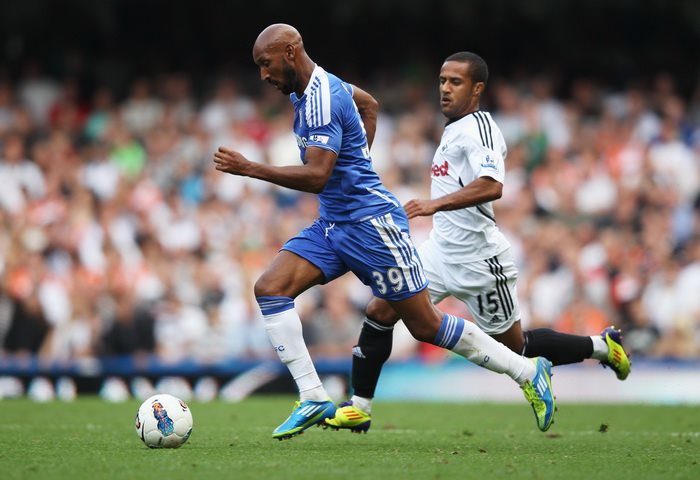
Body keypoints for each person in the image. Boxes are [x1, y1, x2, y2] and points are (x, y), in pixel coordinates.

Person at [213, 25, 555, 440]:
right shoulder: (311, 88)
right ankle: (313, 396)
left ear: (289, 52)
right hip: (335, 223)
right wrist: (359, 159)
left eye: (266, 64)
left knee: (425, 326)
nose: (264, 75)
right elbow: (369, 105)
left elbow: (318, 175)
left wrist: (250, 168)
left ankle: (526, 371)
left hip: (372, 226)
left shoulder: (322, 97)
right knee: (270, 288)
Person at [325, 52, 631, 434]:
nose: (445, 89)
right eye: (442, 80)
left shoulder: (480, 128)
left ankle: (602, 347)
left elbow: (492, 185)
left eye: (455, 82)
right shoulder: (452, 129)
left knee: (516, 347)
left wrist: (433, 204)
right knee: (381, 309)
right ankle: (359, 406)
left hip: (480, 260)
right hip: (439, 252)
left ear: (477, 89)